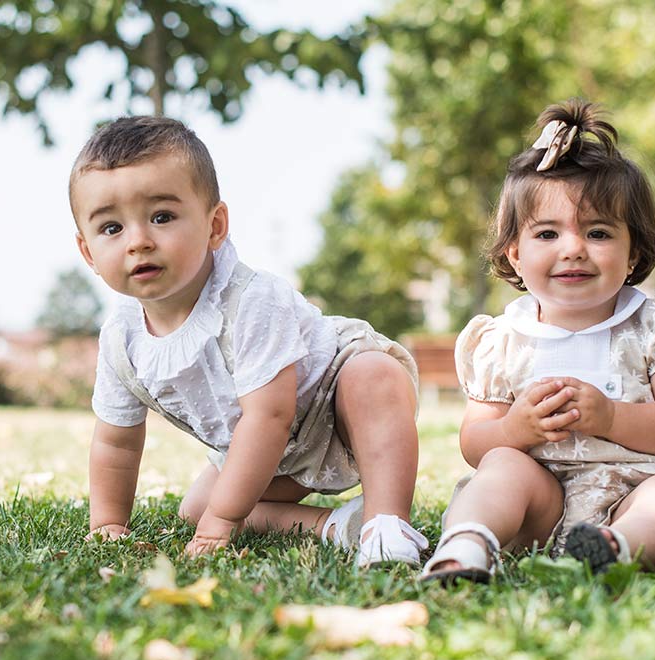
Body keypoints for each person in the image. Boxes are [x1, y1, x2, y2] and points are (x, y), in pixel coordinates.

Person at [69, 116, 428, 566]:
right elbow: (116, 442)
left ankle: (386, 524)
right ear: (88, 253)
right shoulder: (123, 340)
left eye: (162, 217)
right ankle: (333, 526)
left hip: (331, 409)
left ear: (215, 225)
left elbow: (269, 417)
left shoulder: (249, 300)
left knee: (373, 375)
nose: (138, 242)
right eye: (111, 228)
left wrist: (222, 524)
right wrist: (108, 524)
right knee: (194, 508)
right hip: (269, 453)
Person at [420, 99, 655, 583]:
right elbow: (475, 441)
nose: (573, 248)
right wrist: (516, 428)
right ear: (514, 254)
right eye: (548, 233)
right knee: (504, 465)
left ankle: (615, 547)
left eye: (597, 232)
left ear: (633, 250)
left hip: (639, 487)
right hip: (540, 502)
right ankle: (467, 545)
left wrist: (612, 417)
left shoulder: (654, 323)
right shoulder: (502, 339)